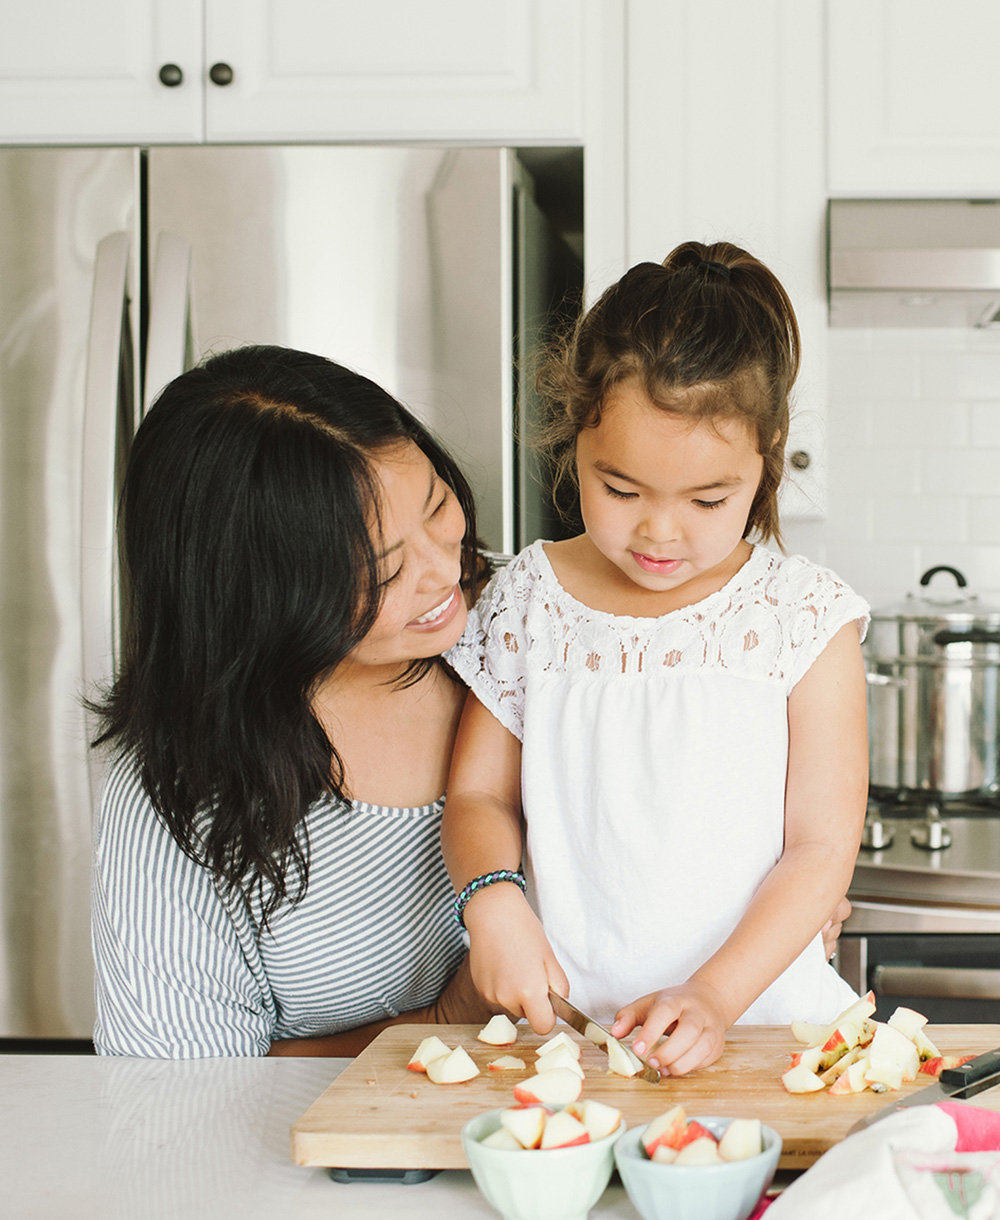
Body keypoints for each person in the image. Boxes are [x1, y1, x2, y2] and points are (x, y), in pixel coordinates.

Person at [441, 241, 870, 1078]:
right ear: (576, 440)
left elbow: (821, 849)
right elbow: (478, 793)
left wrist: (711, 996)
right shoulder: (531, 596)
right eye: (621, 489)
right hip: (565, 1042)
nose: (659, 533)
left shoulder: (805, 616)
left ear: (767, 454)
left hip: (762, 1035)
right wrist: (490, 899)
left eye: (708, 499)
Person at [91, 345, 501, 1057]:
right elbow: (182, 1103)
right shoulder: (180, 798)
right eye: (387, 570)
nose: (445, 571)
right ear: (262, 599)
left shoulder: (540, 628)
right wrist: (447, 1021)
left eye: (438, 506)